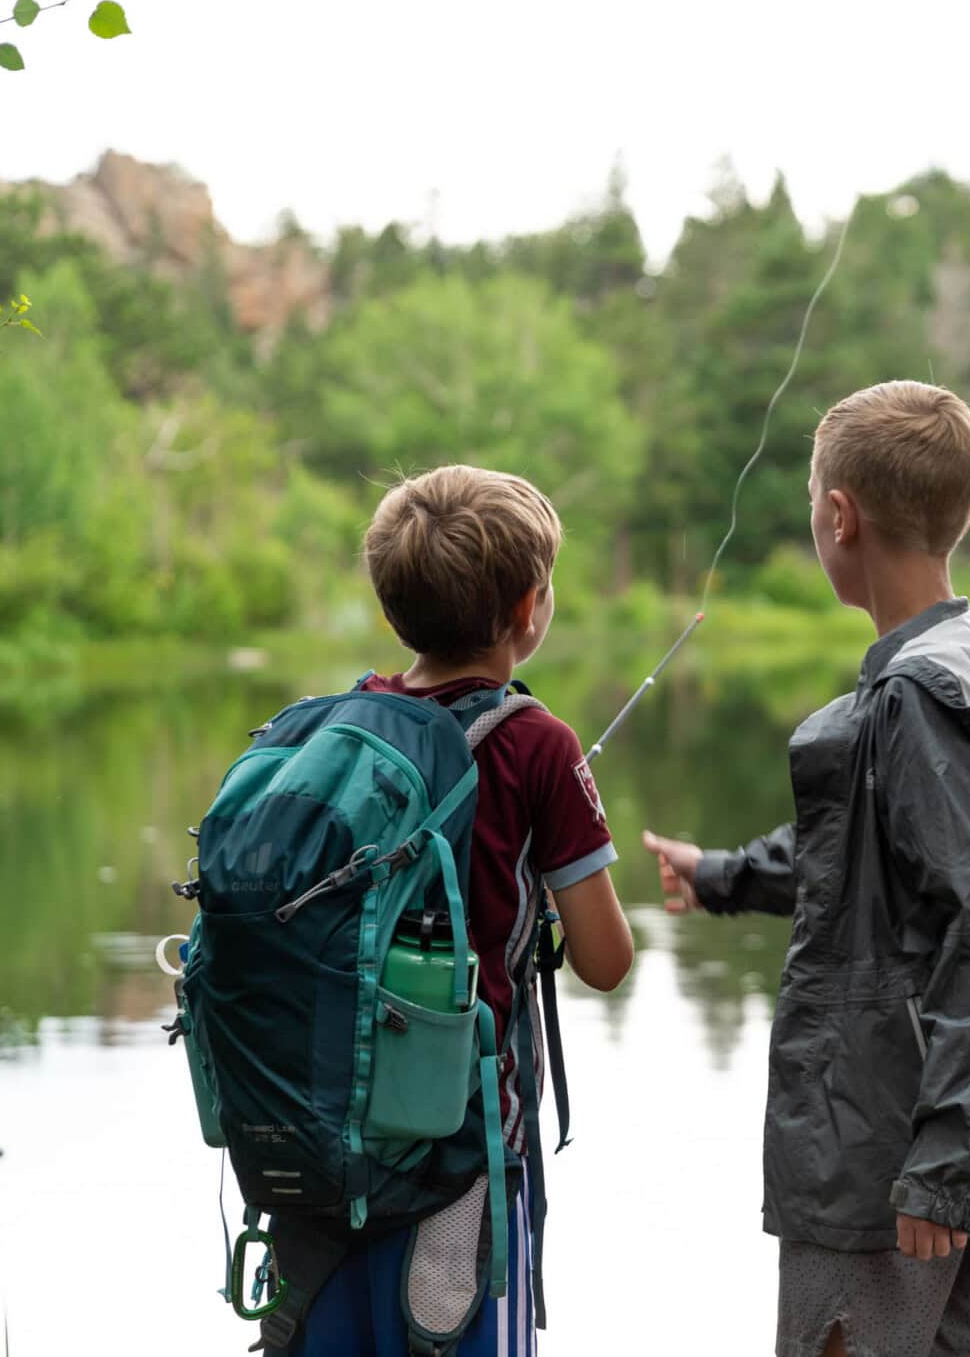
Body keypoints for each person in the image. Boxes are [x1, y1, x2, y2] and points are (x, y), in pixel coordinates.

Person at [641, 381, 970, 1357]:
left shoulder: (915, 700)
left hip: (900, 1147)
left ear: (839, 516)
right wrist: (725, 874)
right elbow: (885, 860)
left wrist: (942, 1162)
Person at [297, 463, 635, 1356]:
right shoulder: (538, 742)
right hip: (464, 1153)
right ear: (529, 611)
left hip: (326, 1136)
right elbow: (607, 960)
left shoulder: (345, 722)